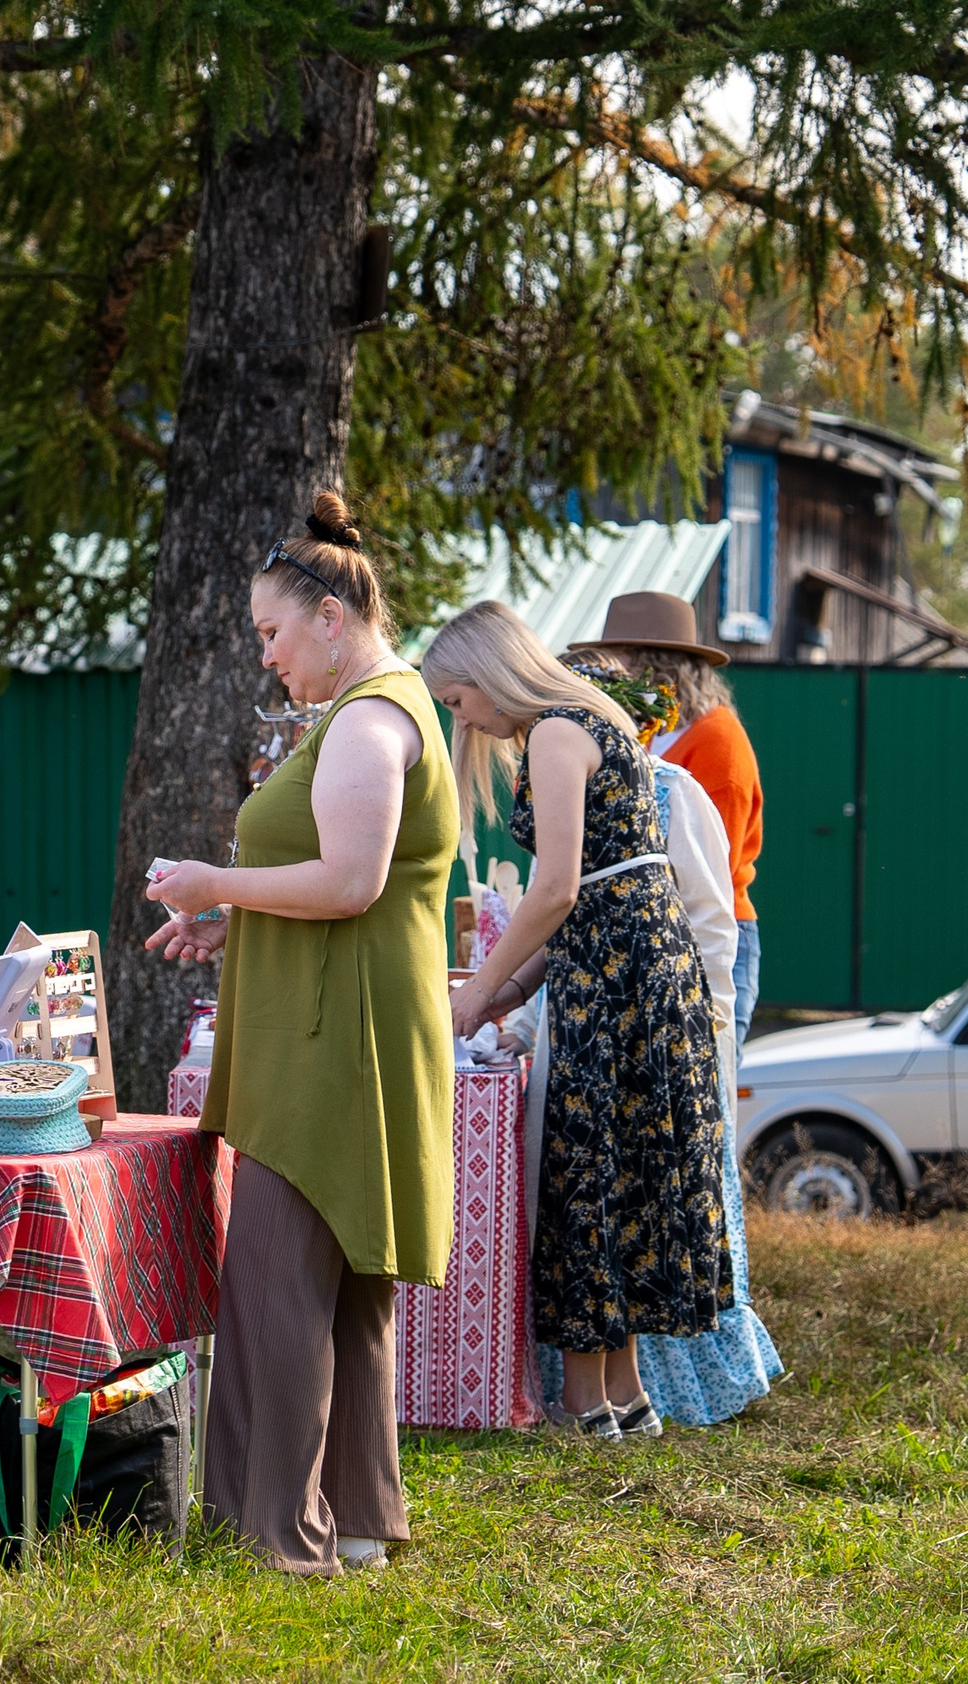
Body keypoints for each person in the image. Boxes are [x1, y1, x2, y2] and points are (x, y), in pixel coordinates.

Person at [143, 492, 457, 1578]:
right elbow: (334, 885)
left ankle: (271, 1533)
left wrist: (209, 878)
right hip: (342, 1027)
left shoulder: (370, 719)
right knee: (339, 1292)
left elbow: (350, 880)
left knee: (278, 1289)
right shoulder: (376, 710)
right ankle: (358, 1520)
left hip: (331, 1044)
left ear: (330, 615)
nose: (266, 658)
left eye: (272, 634)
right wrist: (232, 919)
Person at [428, 600, 729, 1442]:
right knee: (626, 1172)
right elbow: (585, 895)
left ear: (489, 676)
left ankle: (587, 1401)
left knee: (588, 1175)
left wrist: (477, 986)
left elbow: (556, 888)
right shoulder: (594, 716)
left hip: (617, 978)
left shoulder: (556, 733)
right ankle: (623, 1395)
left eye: (459, 700)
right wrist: (503, 994)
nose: (467, 719)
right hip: (637, 965)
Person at [502, 654, 784, 1427]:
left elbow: (707, 912)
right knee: (614, 1190)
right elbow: (569, 906)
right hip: (614, 984)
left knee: (600, 1188)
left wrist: (714, 1037)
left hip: (638, 994)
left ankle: (604, 1397)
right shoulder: (613, 755)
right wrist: (515, 1000)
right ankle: (619, 1395)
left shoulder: (691, 768)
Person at [572, 592, 766, 1038]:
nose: (604, 671)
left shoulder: (717, 739)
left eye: (615, 658)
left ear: (651, 662)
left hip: (708, 935)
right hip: (649, 934)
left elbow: (714, 869)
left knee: (707, 1096)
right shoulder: (641, 732)